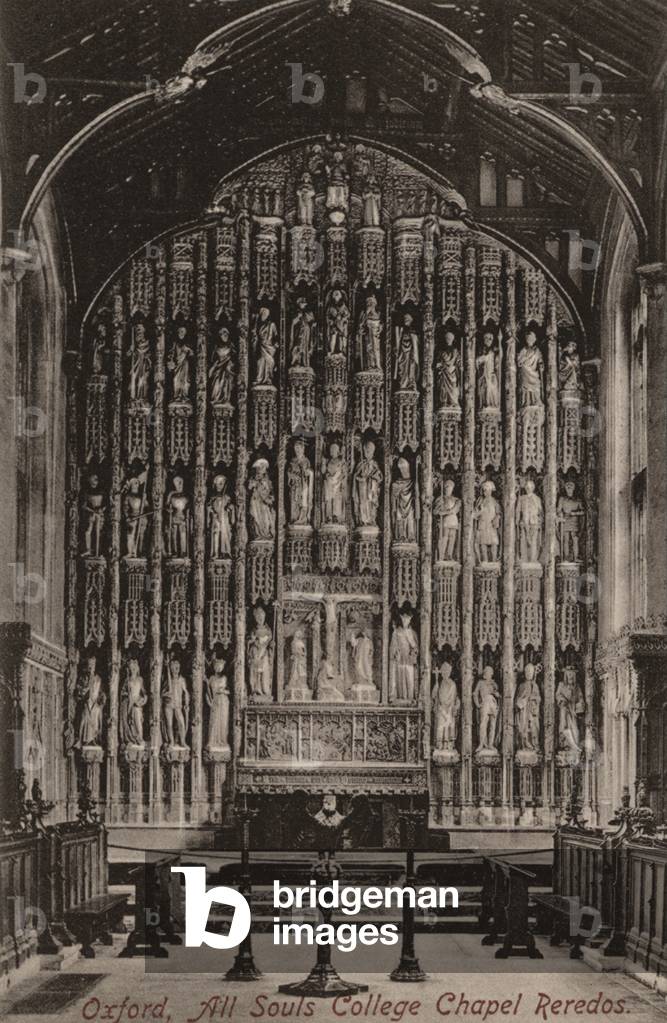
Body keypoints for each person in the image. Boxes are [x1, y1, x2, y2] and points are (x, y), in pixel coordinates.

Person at [353, 440, 383, 527]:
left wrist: (373, 478)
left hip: (372, 489)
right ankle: (363, 521)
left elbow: (380, 477)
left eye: (369, 450)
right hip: (362, 488)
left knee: (371, 503)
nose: (367, 452)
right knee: (363, 503)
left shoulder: (375, 464)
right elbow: (355, 476)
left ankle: (371, 520)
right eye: (365, 450)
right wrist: (360, 478)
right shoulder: (361, 464)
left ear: (373, 452)